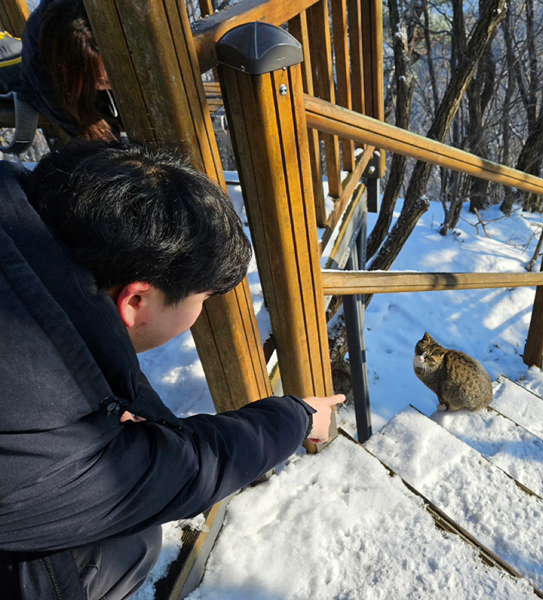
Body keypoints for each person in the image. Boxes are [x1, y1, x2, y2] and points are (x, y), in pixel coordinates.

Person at [0, 139, 343, 600]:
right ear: (137, 300)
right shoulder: (42, 444)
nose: (201, 311)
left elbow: (88, 353)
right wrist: (298, 416)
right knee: (133, 540)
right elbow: (184, 472)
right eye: (203, 300)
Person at [20, 0, 117, 140]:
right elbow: (90, 133)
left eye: (108, 78)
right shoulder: (43, 68)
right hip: (60, 87)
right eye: (98, 80)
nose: (103, 85)